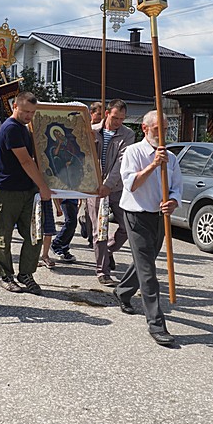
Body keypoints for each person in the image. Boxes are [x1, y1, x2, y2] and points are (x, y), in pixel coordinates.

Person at [113, 110, 183, 347]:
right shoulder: (133, 152)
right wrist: (154, 164)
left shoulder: (171, 159)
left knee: (145, 261)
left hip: (158, 218)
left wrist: (172, 202)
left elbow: (177, 188)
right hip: (135, 215)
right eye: (157, 130)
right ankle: (156, 324)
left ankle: (122, 291)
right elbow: (131, 184)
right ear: (144, 128)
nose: (162, 135)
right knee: (148, 272)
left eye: (165, 130)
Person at [0, 91, 51, 294]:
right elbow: (25, 161)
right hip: (6, 190)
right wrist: (43, 186)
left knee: (34, 234)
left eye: (32, 112)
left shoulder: (25, 128)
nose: (28, 116)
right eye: (25, 111)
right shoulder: (11, 128)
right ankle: (6, 276)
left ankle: (26, 274)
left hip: (26, 190)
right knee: (3, 237)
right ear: (15, 106)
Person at [87, 99, 136, 285]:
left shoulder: (128, 134)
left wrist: (108, 184)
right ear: (107, 113)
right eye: (115, 117)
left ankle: (108, 251)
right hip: (94, 189)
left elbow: (122, 162)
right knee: (99, 230)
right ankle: (102, 271)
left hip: (116, 189)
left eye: (122, 119)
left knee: (127, 227)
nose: (118, 122)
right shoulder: (92, 130)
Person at [50, 198, 79, 262]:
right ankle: (56, 244)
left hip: (74, 199)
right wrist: (58, 207)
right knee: (71, 222)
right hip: (66, 199)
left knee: (73, 224)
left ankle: (64, 248)